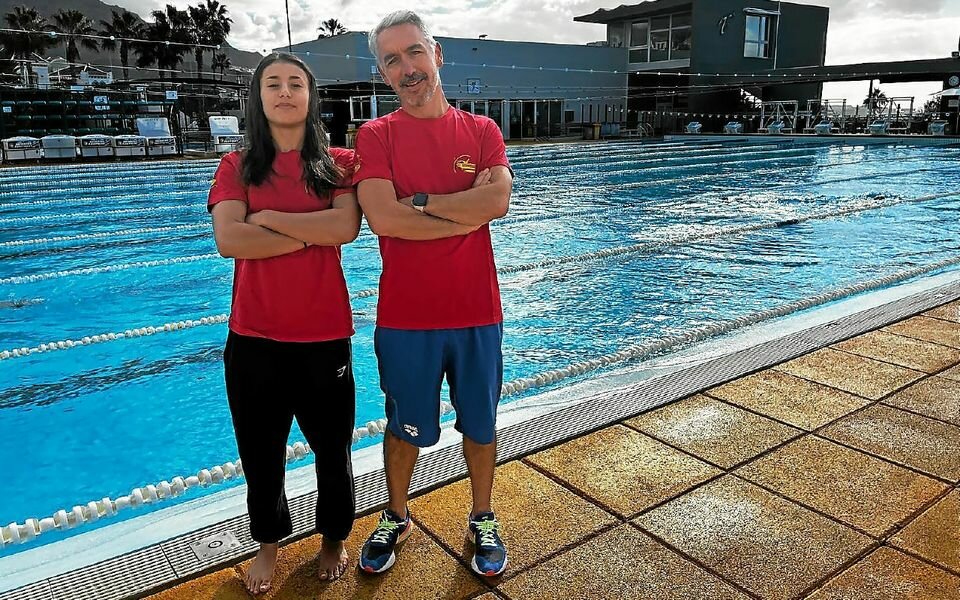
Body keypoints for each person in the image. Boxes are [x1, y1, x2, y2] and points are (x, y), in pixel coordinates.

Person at [353, 10, 513, 578]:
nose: (406, 67)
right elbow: (382, 218)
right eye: (391, 60)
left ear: (437, 54)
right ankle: (395, 515)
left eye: (413, 52)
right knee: (403, 426)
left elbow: (496, 203)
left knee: (481, 423)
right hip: (406, 318)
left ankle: (483, 516)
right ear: (382, 73)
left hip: (476, 312)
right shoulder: (375, 135)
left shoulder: (482, 131)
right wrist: (457, 209)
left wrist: (418, 202)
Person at [208, 52, 360, 594]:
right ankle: (269, 545)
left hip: (324, 338)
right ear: (259, 97)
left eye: (296, 82)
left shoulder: (339, 163)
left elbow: (345, 227)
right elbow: (230, 239)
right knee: (260, 453)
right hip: (253, 340)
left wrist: (268, 220)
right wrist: (306, 233)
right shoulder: (237, 165)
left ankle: (333, 539)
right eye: (273, 83)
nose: (285, 91)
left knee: (332, 450)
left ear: (311, 96)